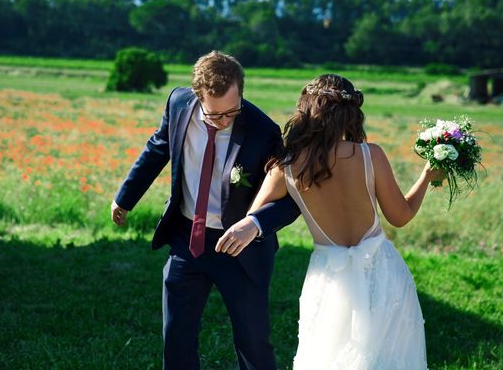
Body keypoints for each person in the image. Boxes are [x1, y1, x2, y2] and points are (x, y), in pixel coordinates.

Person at [217, 74, 444, 369]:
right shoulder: (370, 155)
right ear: (350, 114)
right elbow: (400, 217)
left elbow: (256, 216)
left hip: (329, 279)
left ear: (305, 112)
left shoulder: (287, 167)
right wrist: (426, 176)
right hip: (383, 273)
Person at [111, 51, 299, 370]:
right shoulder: (178, 103)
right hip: (187, 239)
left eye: (233, 111)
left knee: (252, 343)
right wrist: (125, 197)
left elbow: (290, 198)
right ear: (198, 96)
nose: (225, 120)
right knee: (177, 338)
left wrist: (254, 223)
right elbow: (158, 148)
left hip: (241, 248)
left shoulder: (263, 130)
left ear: (241, 90)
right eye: (216, 115)